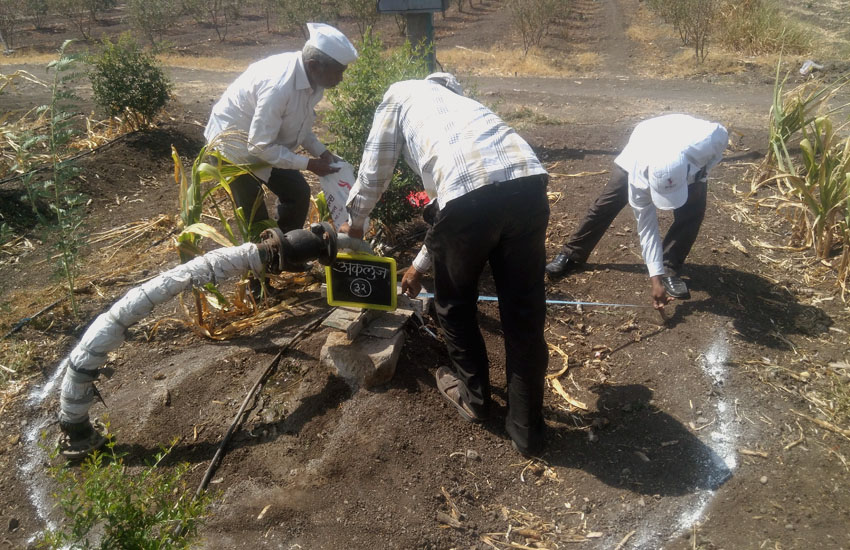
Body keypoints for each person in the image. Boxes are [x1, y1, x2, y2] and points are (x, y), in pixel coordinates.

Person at [340, 73, 550, 456]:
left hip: (470, 200)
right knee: (524, 313)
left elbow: (375, 171)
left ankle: (475, 400)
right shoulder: (467, 106)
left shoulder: (399, 95)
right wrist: (419, 267)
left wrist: (355, 222)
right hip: (530, 187)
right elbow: (448, 216)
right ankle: (527, 430)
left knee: (454, 305)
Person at [545, 114, 728, 309]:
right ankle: (571, 253)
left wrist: (702, 174)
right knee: (606, 204)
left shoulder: (711, 138)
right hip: (643, 143)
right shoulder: (638, 173)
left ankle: (670, 268)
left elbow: (716, 154)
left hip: (686, 151)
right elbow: (647, 229)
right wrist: (654, 281)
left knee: (693, 212)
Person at [204, 23, 357, 236]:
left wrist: (321, 151)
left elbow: (299, 124)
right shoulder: (278, 86)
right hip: (233, 149)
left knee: (298, 193)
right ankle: (263, 261)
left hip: (265, 143)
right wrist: (310, 164)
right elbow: (258, 146)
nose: (340, 79)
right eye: (338, 72)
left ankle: (288, 251)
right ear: (314, 65)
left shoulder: (314, 82)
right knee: (254, 215)